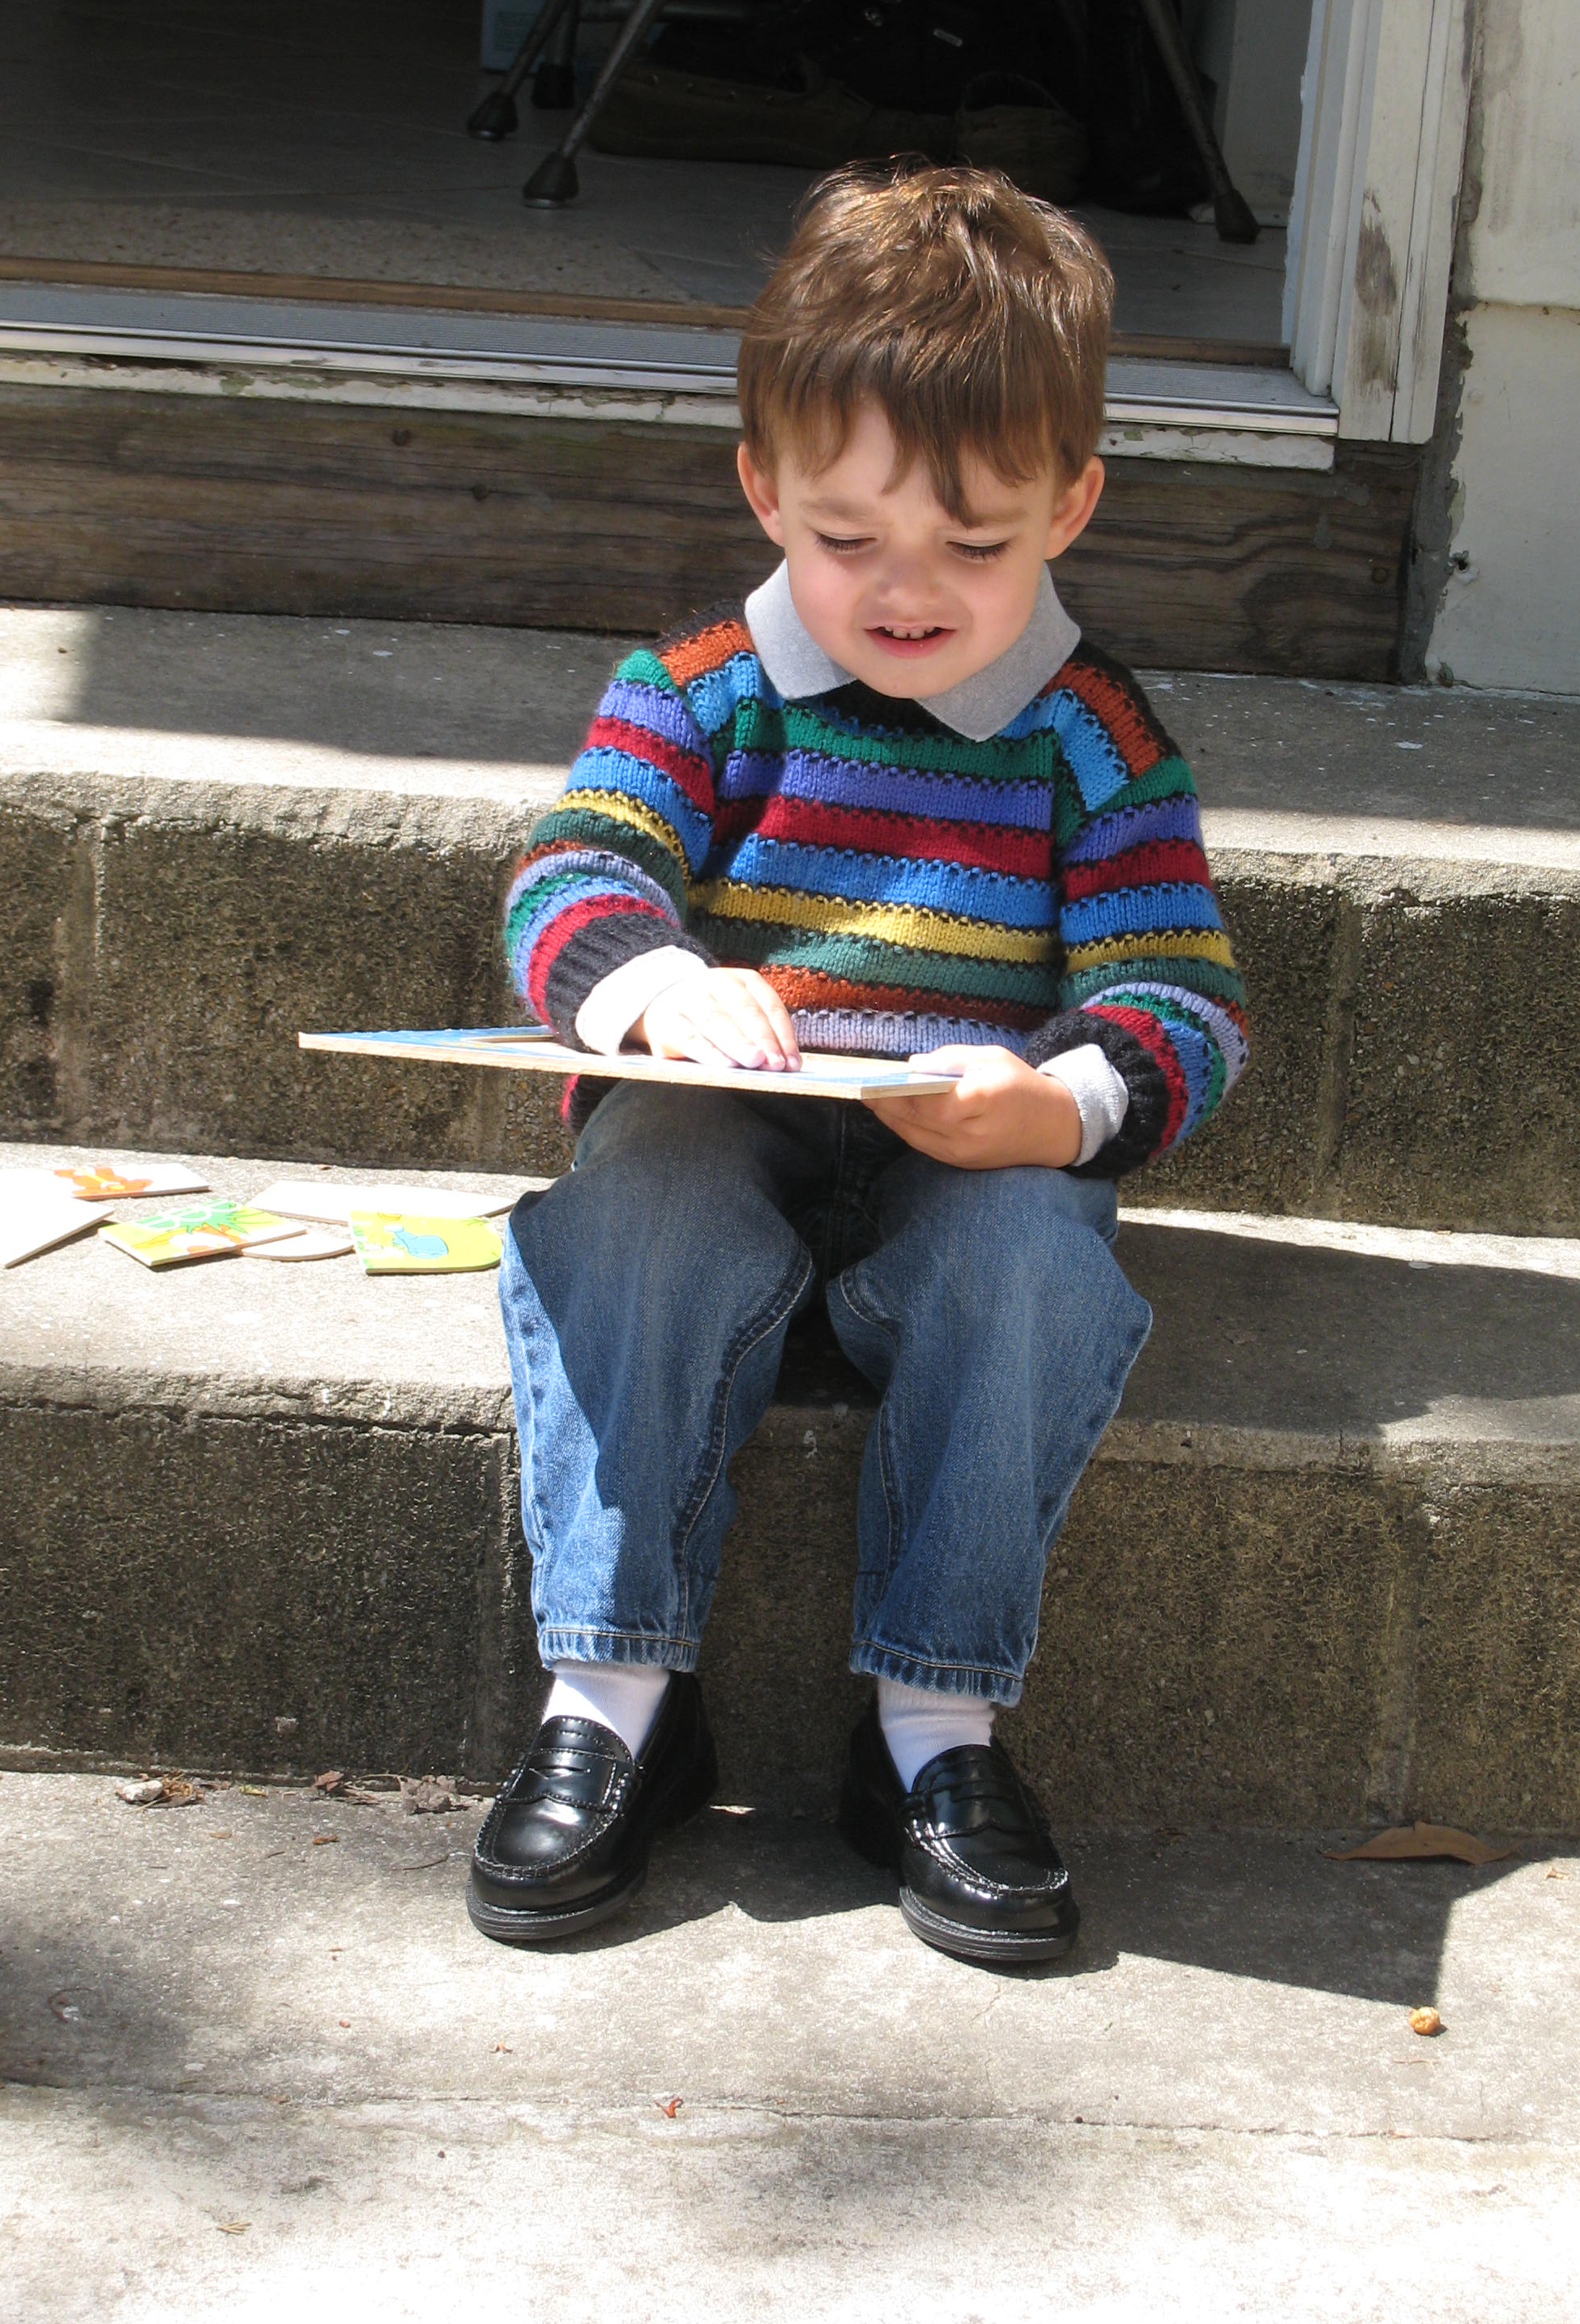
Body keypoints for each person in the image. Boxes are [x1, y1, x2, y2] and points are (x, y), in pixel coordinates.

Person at [468, 164, 1247, 1967]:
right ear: (766, 490)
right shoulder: (696, 686)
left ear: (1070, 506)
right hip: (720, 1142)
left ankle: (933, 1735)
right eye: (848, 537)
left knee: (1034, 1255)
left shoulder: (1093, 739)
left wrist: (1061, 1103)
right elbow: (574, 870)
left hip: (958, 1164)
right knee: (636, 1211)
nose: (907, 591)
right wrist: (648, 979)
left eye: (974, 547)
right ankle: (615, 1702)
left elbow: (1181, 996)